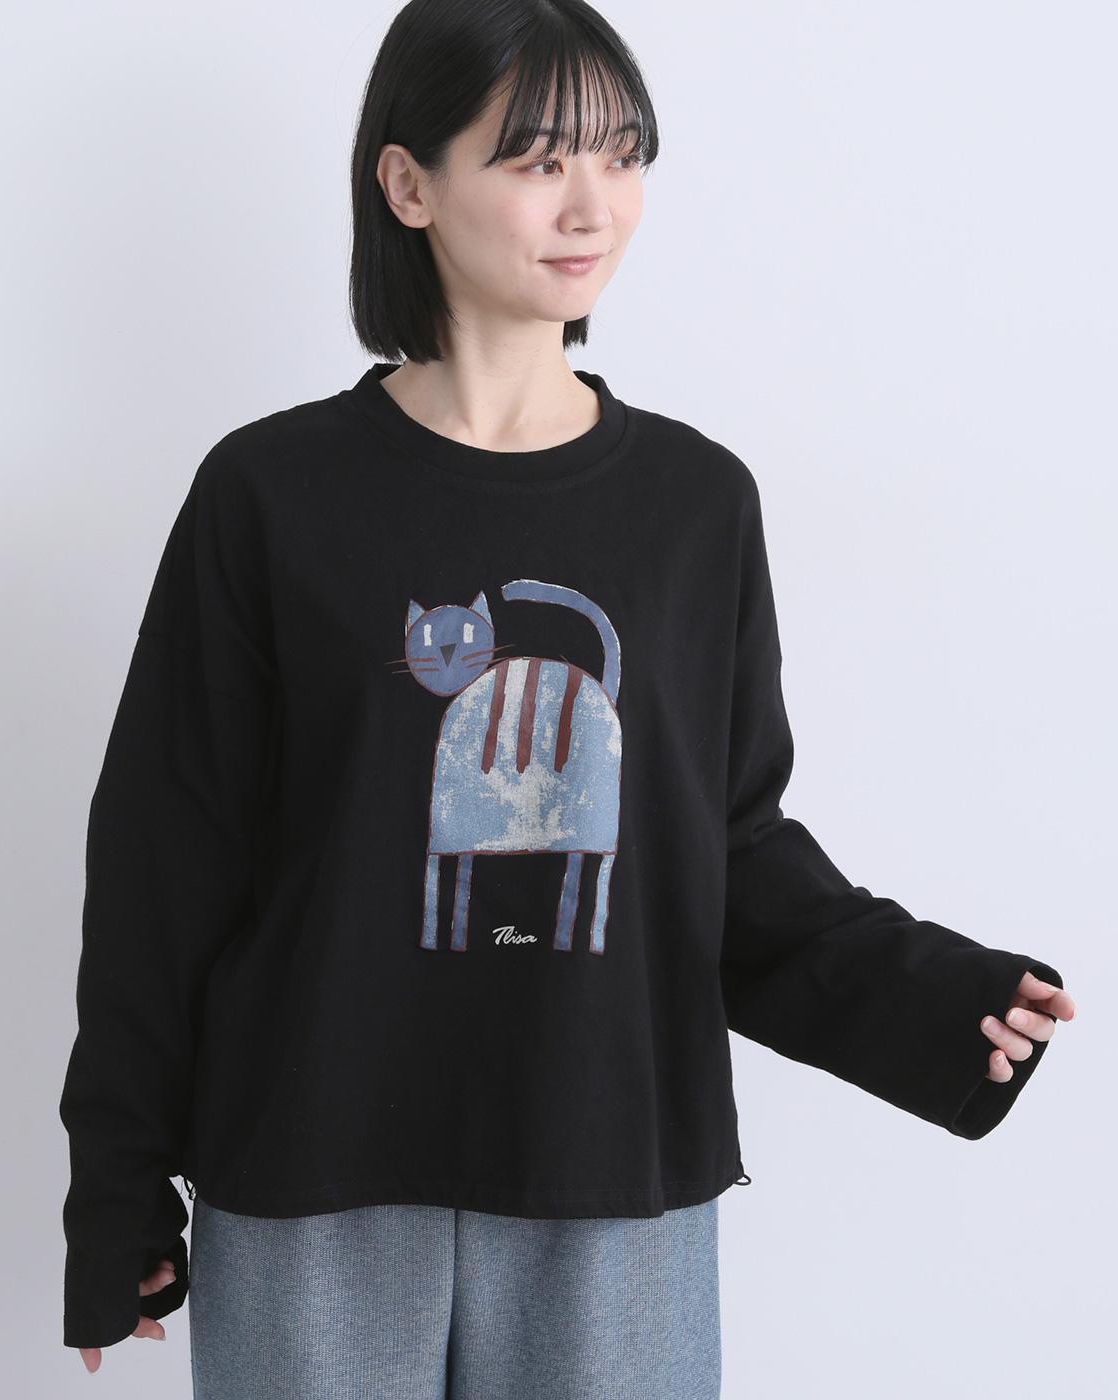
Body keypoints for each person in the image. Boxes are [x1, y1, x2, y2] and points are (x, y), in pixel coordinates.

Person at [57, 1, 1075, 1395]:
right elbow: (164, 859)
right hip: (311, 1173)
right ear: (408, 184)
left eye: (622, 153)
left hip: (610, 1174)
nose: (593, 204)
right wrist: (116, 1185)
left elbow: (725, 848)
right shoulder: (270, 495)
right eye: (538, 159)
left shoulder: (693, 505)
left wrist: (928, 998)